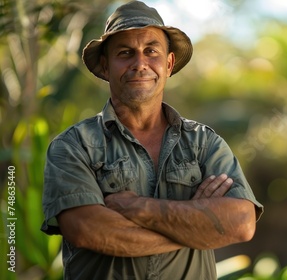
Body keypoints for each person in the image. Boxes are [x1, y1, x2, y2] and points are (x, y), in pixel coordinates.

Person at [40, 1, 263, 279]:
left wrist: (138, 208)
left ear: (168, 64)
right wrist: (197, 226)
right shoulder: (73, 147)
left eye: (151, 51)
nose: (140, 63)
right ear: (105, 65)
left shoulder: (204, 143)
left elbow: (241, 223)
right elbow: (87, 230)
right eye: (125, 53)